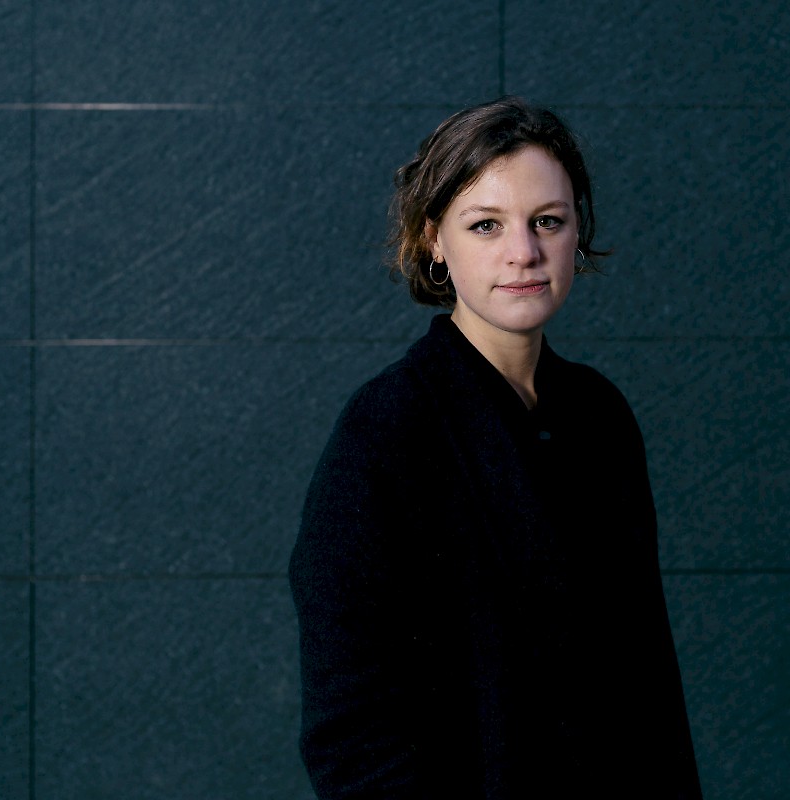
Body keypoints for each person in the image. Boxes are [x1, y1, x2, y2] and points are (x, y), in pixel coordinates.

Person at [288, 96, 702, 798]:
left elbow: (647, 680)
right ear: (434, 241)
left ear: (577, 232)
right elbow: (351, 729)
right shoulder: (386, 431)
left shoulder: (599, 416)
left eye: (548, 221)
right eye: (486, 225)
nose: (524, 252)